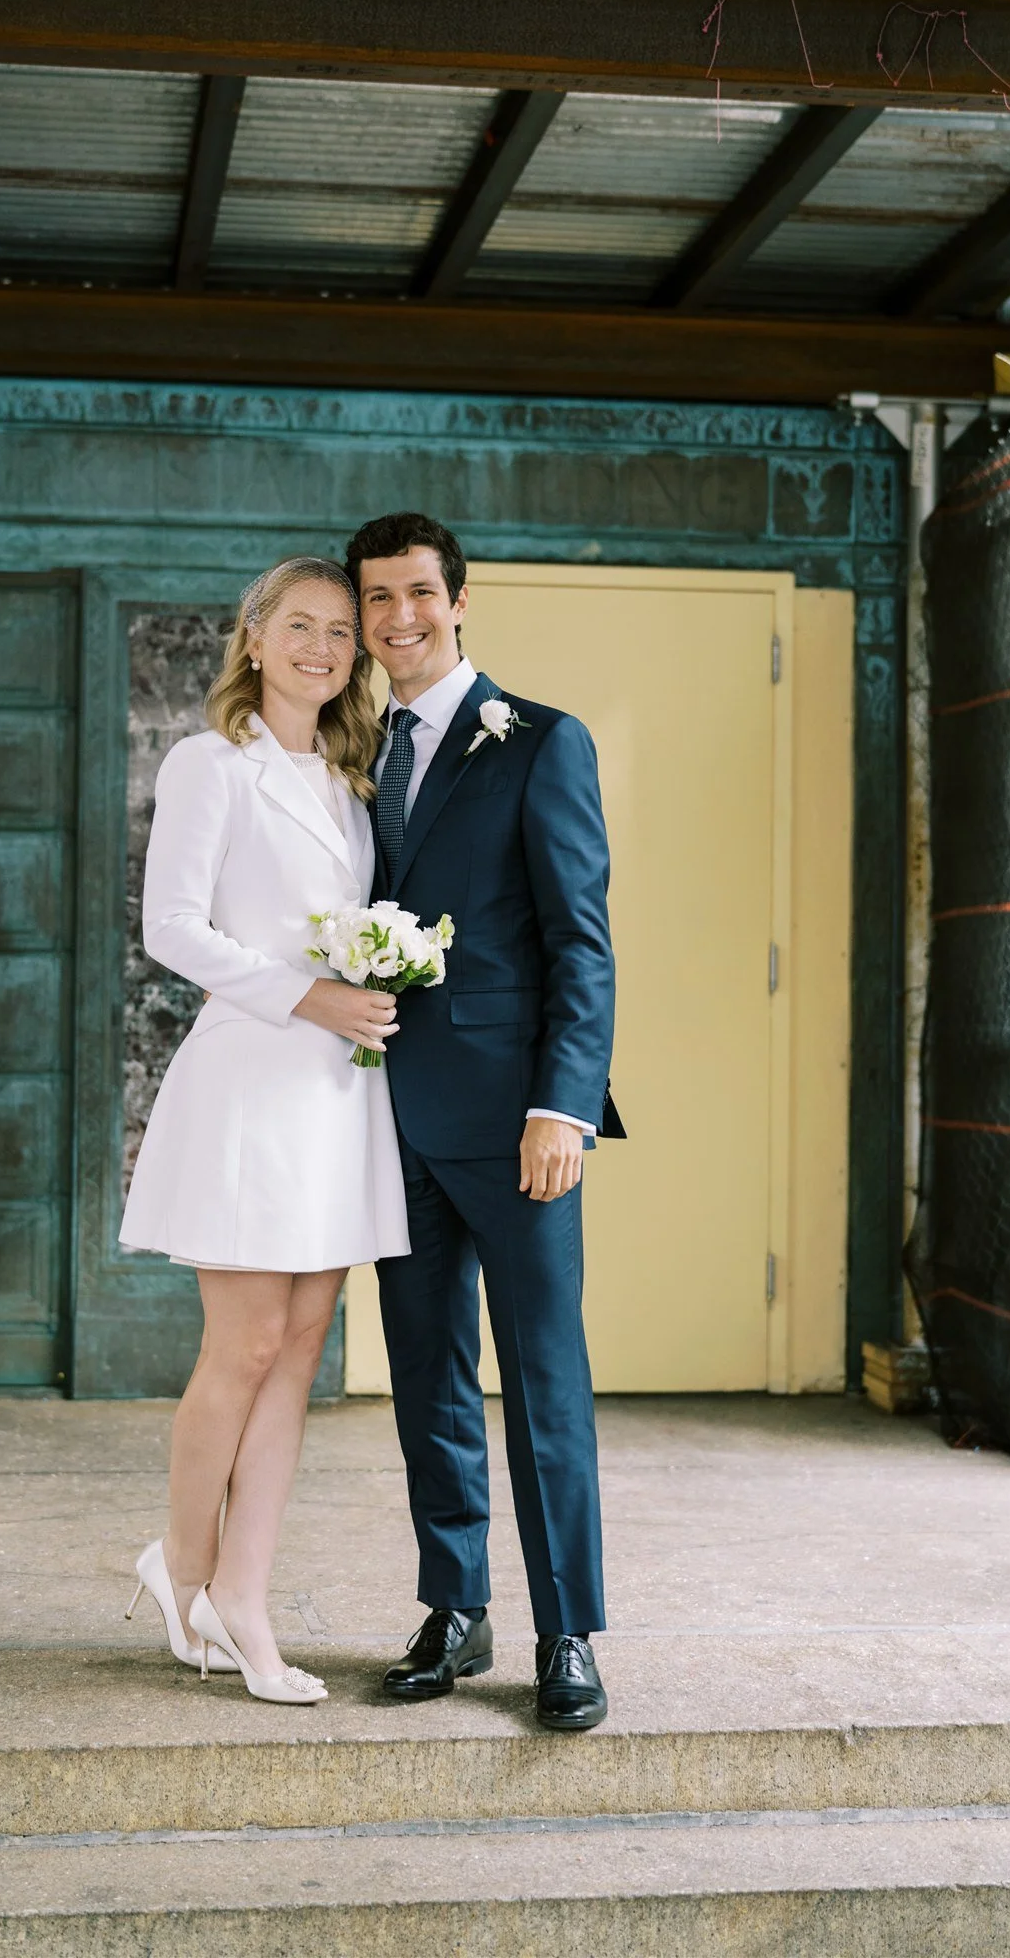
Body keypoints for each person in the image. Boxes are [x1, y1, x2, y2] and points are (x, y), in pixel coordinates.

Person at [119, 556, 410, 1706]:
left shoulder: (350, 777)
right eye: (302, 625)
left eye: (342, 630)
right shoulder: (211, 763)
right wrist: (312, 996)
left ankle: (245, 1589)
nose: (325, 646)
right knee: (239, 1346)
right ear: (255, 637)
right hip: (251, 1078)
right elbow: (172, 927)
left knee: (300, 1349)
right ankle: (182, 1569)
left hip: (338, 1091)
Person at [347, 510, 621, 1732]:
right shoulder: (350, 749)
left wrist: (564, 1101)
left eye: (418, 593)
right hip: (382, 1119)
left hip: (519, 1127)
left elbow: (582, 943)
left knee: (544, 1377)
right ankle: (455, 1609)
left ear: (461, 600)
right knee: (427, 1373)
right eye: (376, 599)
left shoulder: (540, 741)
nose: (397, 618)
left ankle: (566, 1632)